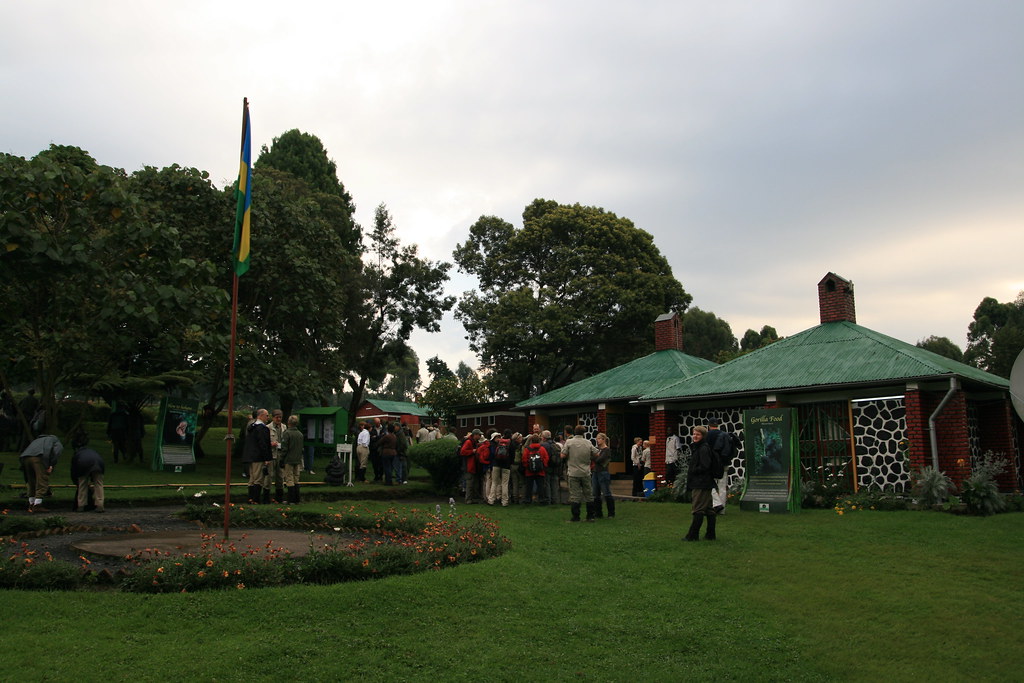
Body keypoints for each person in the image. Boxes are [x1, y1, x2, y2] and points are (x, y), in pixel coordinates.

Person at [684, 425, 718, 541]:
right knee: (709, 509)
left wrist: (694, 470)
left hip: (701, 483)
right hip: (704, 482)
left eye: (698, 434)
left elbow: (705, 465)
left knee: (698, 509)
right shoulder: (700, 447)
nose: (695, 436)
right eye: (694, 434)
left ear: (703, 436)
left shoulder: (703, 448)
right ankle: (710, 534)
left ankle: (693, 535)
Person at [562, 425, 599, 522]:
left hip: (573, 472)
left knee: (575, 495)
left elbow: (563, 455)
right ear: (584, 432)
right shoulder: (588, 442)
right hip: (586, 472)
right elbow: (596, 453)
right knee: (588, 494)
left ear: (574, 431)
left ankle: (576, 517)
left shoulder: (569, 442)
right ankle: (590, 516)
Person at [20, 433, 62, 512]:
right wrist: (50, 465)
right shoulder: (55, 441)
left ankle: (31, 503)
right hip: (38, 458)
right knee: (42, 480)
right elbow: (56, 452)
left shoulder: (36, 441)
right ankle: (37, 505)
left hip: (25, 458)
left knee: (31, 481)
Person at [241, 408, 273, 503]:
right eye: (266, 415)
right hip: (258, 456)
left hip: (250, 456)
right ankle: (255, 499)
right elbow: (263, 444)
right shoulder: (262, 429)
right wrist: (266, 457)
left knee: (252, 478)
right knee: (258, 479)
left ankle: (250, 498)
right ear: (260, 416)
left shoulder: (252, 427)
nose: (268, 417)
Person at [70, 431, 105, 513]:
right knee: (99, 484)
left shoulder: (77, 454)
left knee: (82, 484)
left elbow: (74, 470)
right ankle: (100, 505)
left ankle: (81, 505)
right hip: (99, 464)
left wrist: (75, 481)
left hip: (83, 464)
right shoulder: (93, 452)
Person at [707, 417, 735, 515]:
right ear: (717, 425)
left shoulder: (707, 435)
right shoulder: (725, 435)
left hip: (712, 464)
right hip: (724, 464)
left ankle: (717, 504)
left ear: (709, 425)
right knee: (722, 487)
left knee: (709, 484)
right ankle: (721, 510)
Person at [280, 415, 304, 503]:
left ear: (289, 423)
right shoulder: (300, 434)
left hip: (289, 459)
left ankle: (291, 499)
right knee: (296, 478)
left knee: (289, 479)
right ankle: (297, 499)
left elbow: (285, 448)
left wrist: (281, 459)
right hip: (297, 459)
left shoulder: (287, 433)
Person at [520, 434, 549, 505]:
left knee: (529, 487)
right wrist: (543, 465)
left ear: (531, 440)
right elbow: (546, 458)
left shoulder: (527, 449)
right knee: (540, 486)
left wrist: (527, 466)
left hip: (529, 471)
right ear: (539, 440)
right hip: (540, 471)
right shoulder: (542, 449)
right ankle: (541, 499)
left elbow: (524, 459)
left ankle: (528, 500)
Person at [591, 432, 615, 518]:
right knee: (595, 493)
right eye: (597, 439)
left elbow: (600, 460)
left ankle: (611, 513)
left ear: (603, 439)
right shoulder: (597, 449)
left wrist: (594, 457)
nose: (597, 440)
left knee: (606, 492)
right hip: (595, 472)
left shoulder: (606, 450)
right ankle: (598, 512)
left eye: (599, 438)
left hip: (603, 472)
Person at [488, 429, 514, 506]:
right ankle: (504, 501)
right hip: (506, 465)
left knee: (494, 482)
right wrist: (510, 463)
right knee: (504, 483)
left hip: (496, 464)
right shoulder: (511, 443)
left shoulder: (499, 441)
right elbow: (512, 456)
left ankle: (491, 500)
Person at [459, 429, 484, 503]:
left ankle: (471, 499)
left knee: (472, 483)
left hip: (473, 465)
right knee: (470, 483)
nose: (480, 436)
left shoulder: (473, 442)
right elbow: (462, 451)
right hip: (469, 465)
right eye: (479, 435)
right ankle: (468, 499)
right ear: (475, 435)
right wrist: (472, 451)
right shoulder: (469, 441)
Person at [269, 410, 287, 502]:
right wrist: (271, 444)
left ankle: (279, 498)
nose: (278, 419)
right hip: (272, 454)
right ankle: (266, 497)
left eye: (280, 417)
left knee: (280, 476)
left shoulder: (284, 427)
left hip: (281, 454)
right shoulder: (268, 427)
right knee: (269, 475)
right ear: (273, 418)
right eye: (277, 417)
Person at [542, 430, 562, 505]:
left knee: (547, 483)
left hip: (548, 467)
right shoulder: (556, 444)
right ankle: (555, 500)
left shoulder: (544, 445)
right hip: (555, 466)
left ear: (543, 438)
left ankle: (548, 500)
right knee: (554, 483)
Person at [369, 418, 385, 482]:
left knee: (381, 463)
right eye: (376, 423)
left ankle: (380, 476)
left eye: (378, 423)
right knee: (374, 463)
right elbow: (371, 438)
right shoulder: (372, 429)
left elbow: (383, 437)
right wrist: (380, 436)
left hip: (381, 449)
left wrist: (376, 437)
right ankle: (376, 476)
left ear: (380, 422)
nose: (377, 424)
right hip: (374, 449)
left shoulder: (383, 428)